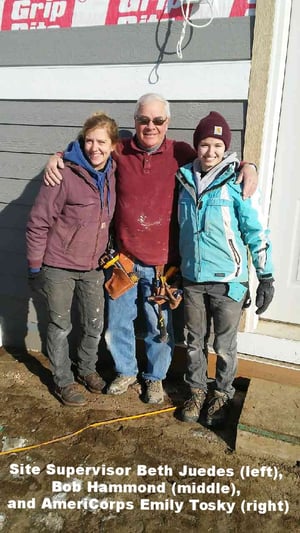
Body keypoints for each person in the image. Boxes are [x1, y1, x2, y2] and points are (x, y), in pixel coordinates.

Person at [43, 94, 259, 405]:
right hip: (124, 261)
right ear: (135, 122)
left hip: (164, 266)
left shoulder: (181, 152)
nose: (151, 126)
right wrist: (57, 156)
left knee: (161, 328)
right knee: (117, 323)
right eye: (144, 120)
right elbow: (89, 150)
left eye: (158, 120)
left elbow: (216, 160)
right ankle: (126, 370)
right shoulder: (120, 149)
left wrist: (248, 166)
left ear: (167, 123)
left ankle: (155, 378)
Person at [176, 111, 274, 427]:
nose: (211, 152)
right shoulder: (184, 179)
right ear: (197, 146)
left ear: (226, 148)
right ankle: (196, 391)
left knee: (224, 346)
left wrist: (266, 275)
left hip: (229, 281)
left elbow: (255, 230)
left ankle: (222, 393)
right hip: (192, 278)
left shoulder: (236, 181)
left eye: (218, 145)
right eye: (204, 144)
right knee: (194, 341)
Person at [26, 112, 118, 407]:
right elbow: (38, 222)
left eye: (102, 141)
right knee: (61, 326)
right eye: (89, 140)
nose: (95, 148)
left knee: (94, 324)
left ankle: (86, 369)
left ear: (113, 145)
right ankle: (63, 381)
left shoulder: (114, 172)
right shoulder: (63, 174)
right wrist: (35, 267)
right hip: (58, 266)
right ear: (82, 141)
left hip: (93, 266)